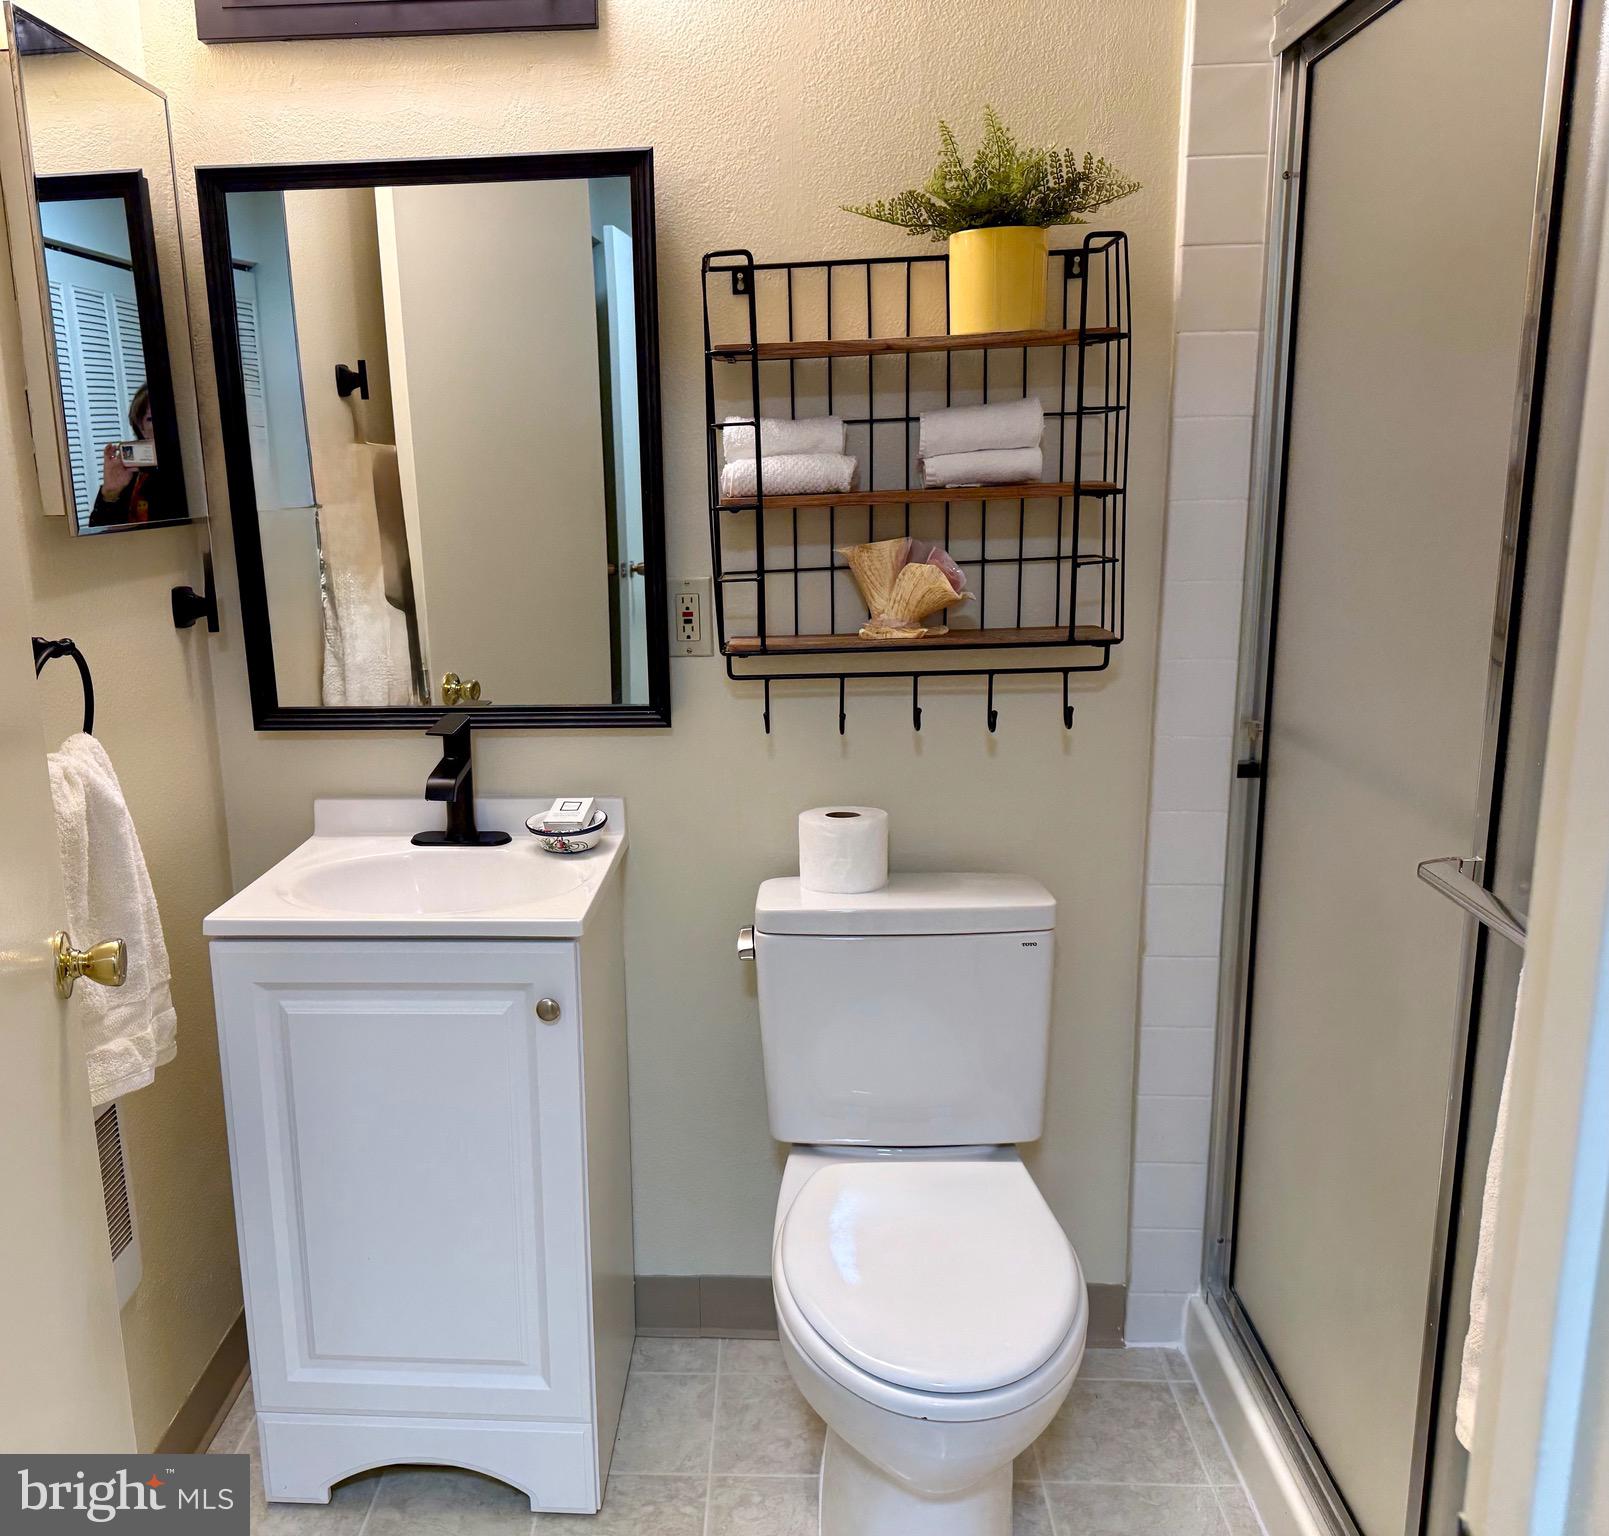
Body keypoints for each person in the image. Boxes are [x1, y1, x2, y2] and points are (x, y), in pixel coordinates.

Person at [88, 385, 180, 529]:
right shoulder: (131, 473)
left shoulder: (189, 469)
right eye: (150, 419)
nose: (160, 425)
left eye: (165, 415)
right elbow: (100, 535)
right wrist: (110, 493)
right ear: (140, 427)